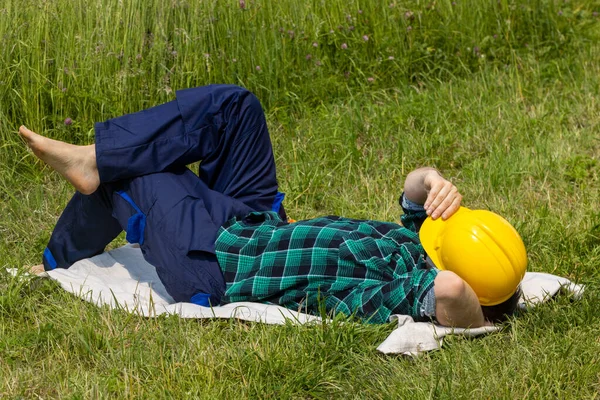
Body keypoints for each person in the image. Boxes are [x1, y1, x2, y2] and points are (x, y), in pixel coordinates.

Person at [18, 84, 524, 328]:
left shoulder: (402, 291)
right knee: (234, 106)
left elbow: (453, 292)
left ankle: (57, 258)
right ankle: (99, 156)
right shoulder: (419, 246)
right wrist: (435, 181)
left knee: (135, 174)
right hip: (255, 219)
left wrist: (478, 316)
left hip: (219, 263)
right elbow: (414, 191)